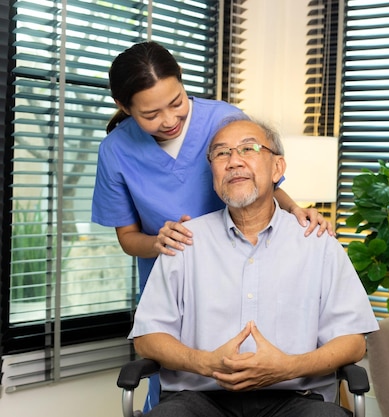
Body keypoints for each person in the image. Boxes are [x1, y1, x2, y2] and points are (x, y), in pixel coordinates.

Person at [91, 41, 334, 411]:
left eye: (177, 102)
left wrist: (297, 211)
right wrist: (158, 242)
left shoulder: (222, 119)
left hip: (245, 256)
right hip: (180, 272)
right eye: (151, 114)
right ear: (124, 108)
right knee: (182, 388)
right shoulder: (115, 151)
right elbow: (128, 239)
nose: (170, 120)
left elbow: (261, 179)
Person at [129, 118, 379, 417]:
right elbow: (148, 338)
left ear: (277, 168)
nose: (234, 161)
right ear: (212, 172)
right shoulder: (183, 242)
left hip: (296, 398)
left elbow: (352, 343)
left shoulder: (318, 243)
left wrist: (289, 366)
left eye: (249, 148)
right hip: (200, 400)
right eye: (221, 153)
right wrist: (205, 362)